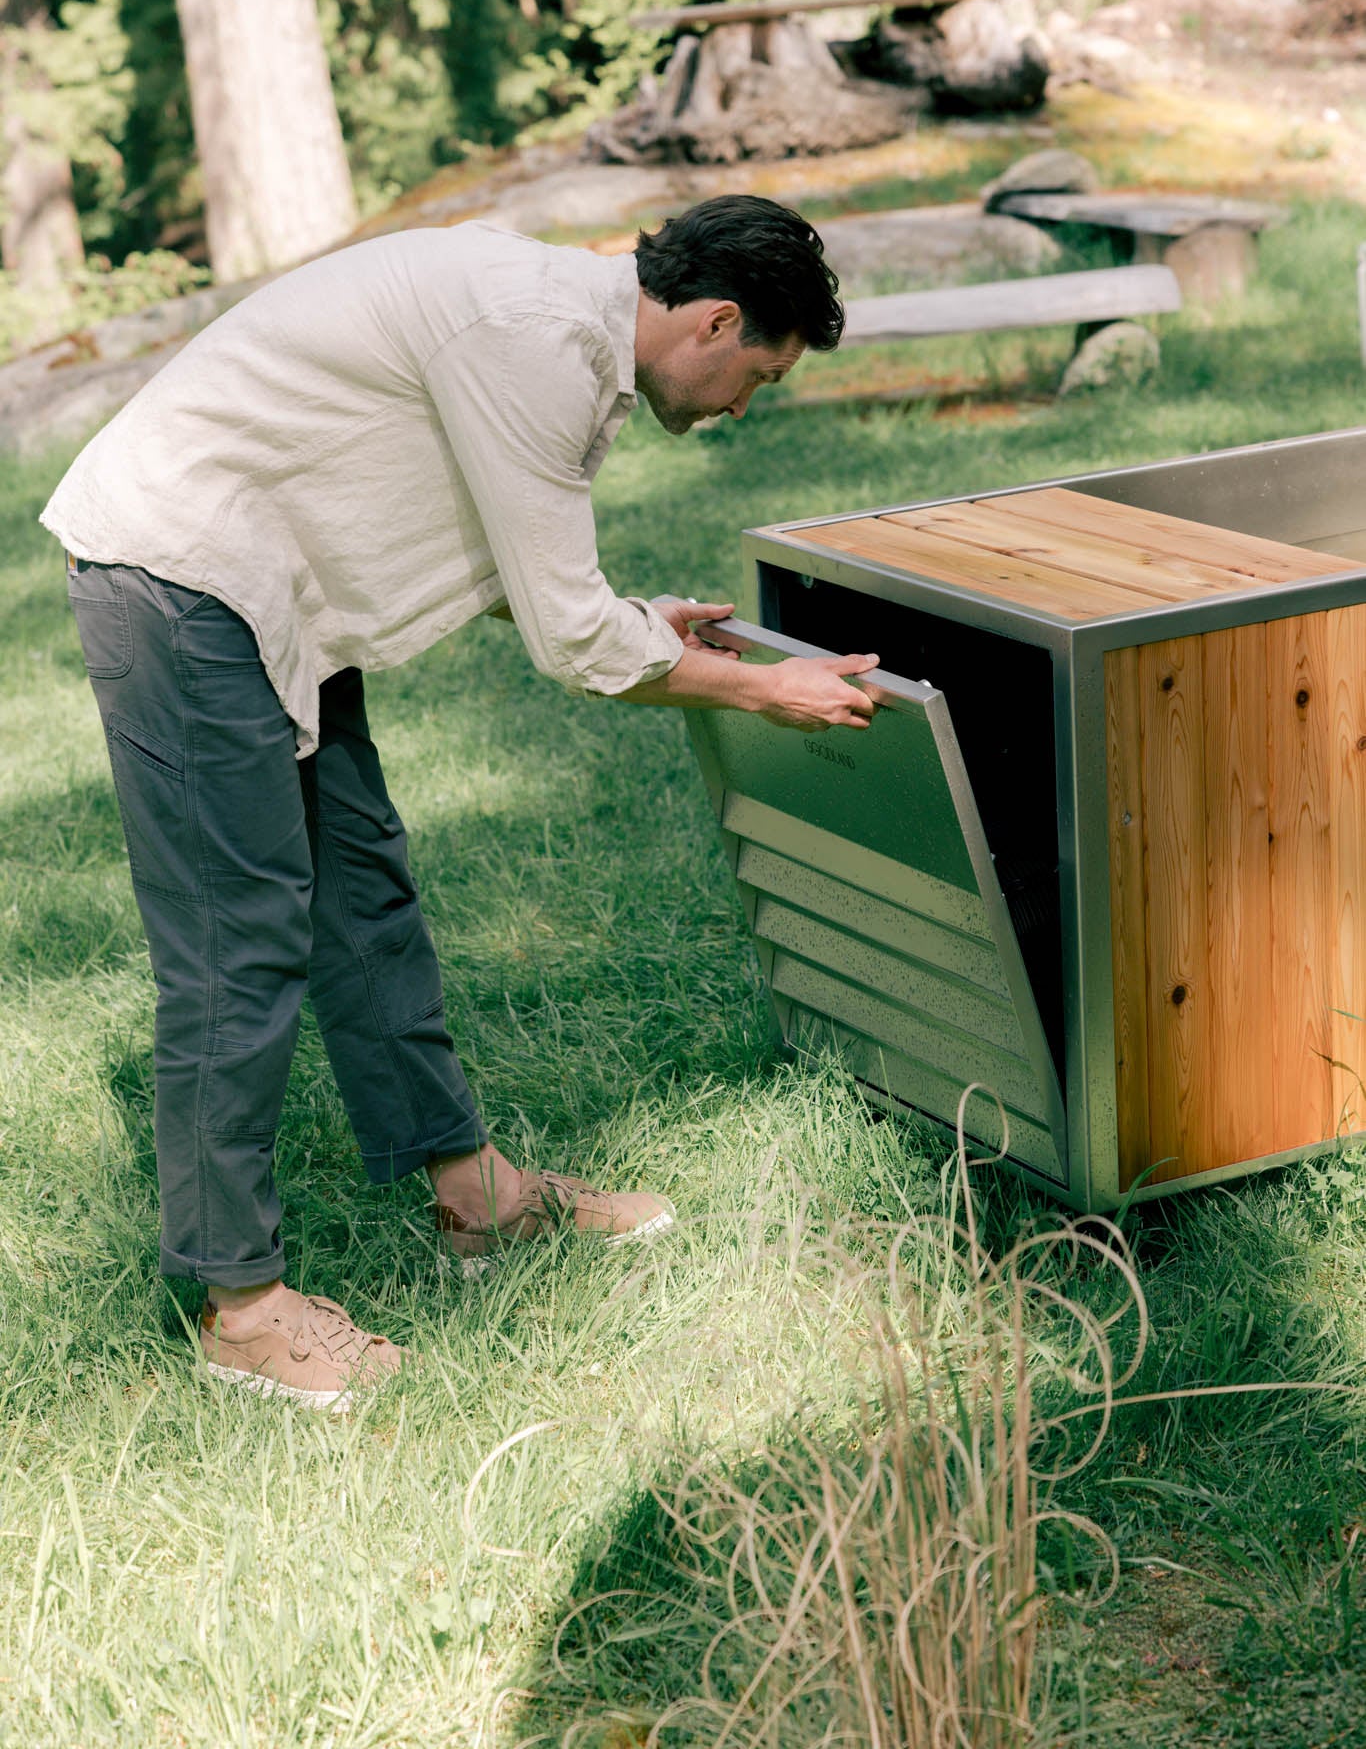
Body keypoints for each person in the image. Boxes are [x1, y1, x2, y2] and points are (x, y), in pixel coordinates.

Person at [40, 193, 880, 1412]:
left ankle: (474, 1194)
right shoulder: (534, 339)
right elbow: (575, 645)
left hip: (265, 581)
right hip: (181, 573)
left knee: (359, 890)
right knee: (238, 940)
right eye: (760, 374)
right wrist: (762, 688)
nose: (744, 405)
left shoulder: (563, 332)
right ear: (712, 320)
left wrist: (639, 622)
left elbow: (531, 569)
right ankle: (243, 1312)